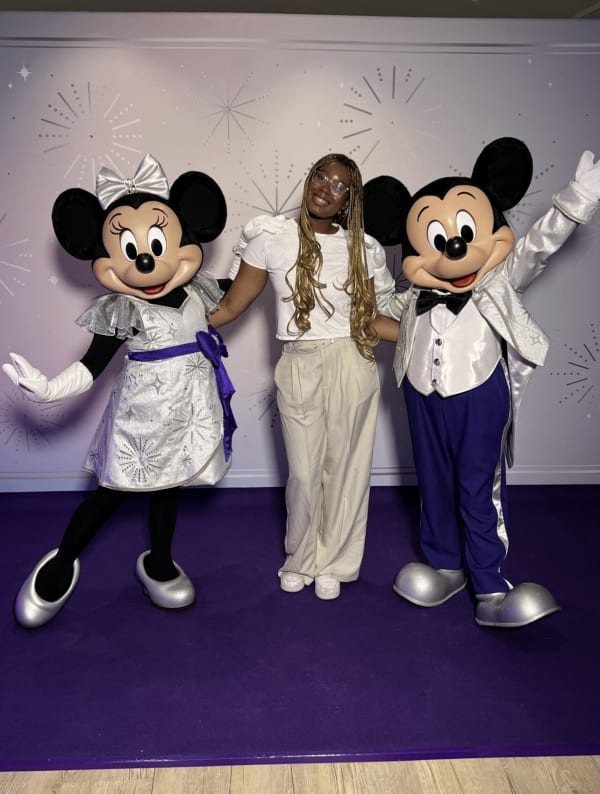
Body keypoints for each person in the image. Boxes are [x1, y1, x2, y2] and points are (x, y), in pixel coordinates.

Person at [210, 153, 398, 600]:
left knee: (347, 468)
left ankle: (334, 561)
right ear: (309, 178)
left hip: (353, 361)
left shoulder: (363, 246)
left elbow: (371, 319)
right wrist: (171, 322)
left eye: (339, 185)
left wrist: (431, 332)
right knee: (304, 469)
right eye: (321, 176)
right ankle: (302, 557)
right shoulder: (271, 237)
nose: (326, 188)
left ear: (349, 199)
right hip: (300, 361)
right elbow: (232, 306)